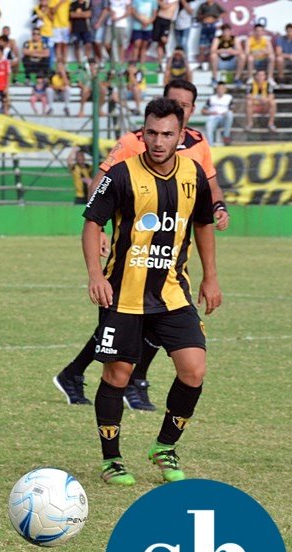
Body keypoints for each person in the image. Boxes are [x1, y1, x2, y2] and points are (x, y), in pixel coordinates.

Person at [53, 79, 228, 410]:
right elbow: (103, 184)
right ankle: (113, 381)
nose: (159, 140)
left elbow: (209, 185)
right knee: (124, 328)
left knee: (158, 325)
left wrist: (218, 206)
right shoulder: (135, 143)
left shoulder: (198, 145)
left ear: (190, 111)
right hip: (131, 261)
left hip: (169, 261)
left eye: (184, 105)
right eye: (173, 101)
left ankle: (101, 377)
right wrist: (99, 227)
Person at [82, 96, 220, 486]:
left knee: (193, 369)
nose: (159, 141)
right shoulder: (121, 175)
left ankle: (165, 447)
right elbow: (92, 223)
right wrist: (95, 275)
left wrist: (211, 277)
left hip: (173, 292)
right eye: (152, 133)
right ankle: (112, 459)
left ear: (181, 135)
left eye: (167, 134)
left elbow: (203, 225)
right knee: (118, 374)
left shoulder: (193, 174)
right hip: (123, 294)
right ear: (142, 133)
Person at [202, 80, 233, 145]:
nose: (220, 90)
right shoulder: (211, 98)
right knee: (208, 125)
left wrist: (225, 112)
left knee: (230, 114)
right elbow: (203, 111)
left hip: (224, 118)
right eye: (219, 88)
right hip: (213, 118)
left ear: (225, 89)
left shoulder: (229, 98)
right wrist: (211, 113)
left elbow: (232, 110)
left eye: (222, 88)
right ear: (216, 89)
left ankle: (226, 136)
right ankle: (211, 145)